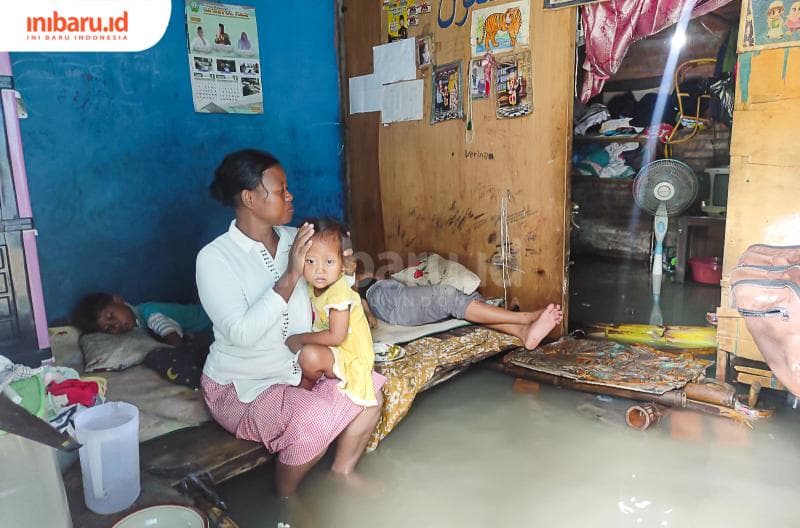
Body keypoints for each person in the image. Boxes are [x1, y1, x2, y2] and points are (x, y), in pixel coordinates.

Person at [196, 149, 385, 500]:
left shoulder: (299, 238)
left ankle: (342, 472)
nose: (290, 195)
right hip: (244, 384)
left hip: (297, 369)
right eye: (280, 189)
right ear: (251, 198)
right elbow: (241, 333)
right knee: (312, 419)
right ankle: (286, 498)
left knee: (370, 386)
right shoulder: (215, 258)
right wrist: (290, 276)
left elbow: (336, 276)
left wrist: (347, 274)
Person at [282, 217, 378, 407]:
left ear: (342, 263)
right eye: (310, 261)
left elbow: (336, 336)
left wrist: (300, 338)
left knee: (308, 355)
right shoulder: (314, 285)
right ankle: (311, 381)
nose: (319, 270)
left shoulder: (339, 294)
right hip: (335, 349)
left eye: (329, 261)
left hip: (352, 355)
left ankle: (308, 384)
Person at [357, 275, 563, 350]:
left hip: (394, 296)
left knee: (472, 305)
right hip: (385, 300)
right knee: (446, 296)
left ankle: (523, 332)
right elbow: (357, 301)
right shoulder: (359, 286)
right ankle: (525, 317)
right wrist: (369, 314)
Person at [71, 293, 211, 346]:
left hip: (211, 320)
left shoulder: (148, 312)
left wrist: (178, 353)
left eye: (111, 316)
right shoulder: (138, 322)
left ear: (118, 300)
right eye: (108, 328)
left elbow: (170, 332)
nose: (116, 325)